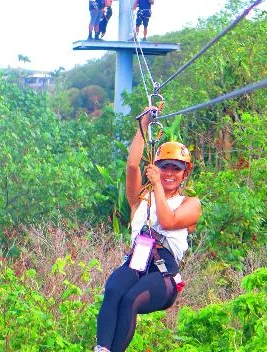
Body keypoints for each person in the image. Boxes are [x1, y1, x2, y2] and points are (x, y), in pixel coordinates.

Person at [94, 107, 202, 352]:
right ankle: (102, 349)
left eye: (176, 168)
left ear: (185, 172)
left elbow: (167, 222)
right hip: (137, 262)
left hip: (163, 274)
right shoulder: (141, 199)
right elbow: (132, 166)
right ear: (156, 167)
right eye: (164, 167)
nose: (169, 173)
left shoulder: (189, 204)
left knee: (131, 299)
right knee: (113, 291)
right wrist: (144, 124)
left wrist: (157, 187)